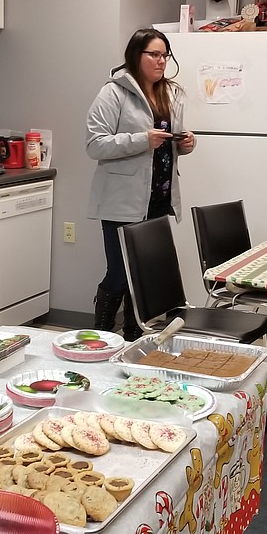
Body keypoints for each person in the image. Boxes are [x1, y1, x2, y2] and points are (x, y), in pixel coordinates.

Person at [86, 28, 196, 341]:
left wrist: (184, 143)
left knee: (145, 276)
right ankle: (100, 339)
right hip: (123, 202)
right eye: (154, 54)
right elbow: (94, 145)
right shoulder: (113, 93)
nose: (161, 61)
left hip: (159, 199)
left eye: (165, 55)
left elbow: (168, 145)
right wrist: (140, 140)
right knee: (120, 274)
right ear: (137, 55)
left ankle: (135, 337)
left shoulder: (170, 93)